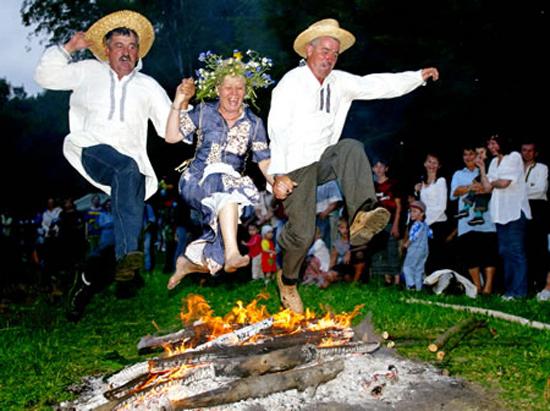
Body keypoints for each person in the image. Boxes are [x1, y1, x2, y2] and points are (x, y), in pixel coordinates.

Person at [268, 18, 439, 313]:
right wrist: (276, 175)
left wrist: (417, 77)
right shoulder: (291, 83)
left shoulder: (340, 82)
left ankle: (362, 214)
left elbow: (376, 84)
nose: (330, 57)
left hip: (324, 159)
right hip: (294, 167)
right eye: (324, 50)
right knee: (303, 234)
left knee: (351, 147)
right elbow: (277, 128)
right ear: (308, 50)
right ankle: (288, 280)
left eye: (334, 53)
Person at [34, 10, 172, 286]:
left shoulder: (148, 86)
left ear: (138, 53)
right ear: (106, 50)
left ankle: (115, 268)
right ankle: (126, 254)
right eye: (119, 45)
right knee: (126, 168)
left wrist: (187, 104)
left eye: (132, 47)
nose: (126, 52)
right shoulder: (88, 71)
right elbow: (46, 77)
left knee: (132, 174)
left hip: (130, 165)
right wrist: (70, 47)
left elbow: (170, 128)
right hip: (91, 148)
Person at [164, 49, 274, 289]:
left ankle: (190, 264)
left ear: (247, 91)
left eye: (239, 88)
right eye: (228, 88)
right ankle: (233, 253)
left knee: (218, 244)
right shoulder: (204, 111)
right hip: (196, 181)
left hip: (229, 189)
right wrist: (179, 101)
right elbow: (171, 136)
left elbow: (264, 159)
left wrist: (277, 181)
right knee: (223, 179)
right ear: (217, 90)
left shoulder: (254, 123)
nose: (234, 94)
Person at [476, 133, 531, 299]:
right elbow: (487, 188)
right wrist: (482, 168)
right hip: (500, 214)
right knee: (504, 251)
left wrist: (492, 183)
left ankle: (520, 293)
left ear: (502, 143)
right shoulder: (493, 162)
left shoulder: (514, 157)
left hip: (515, 212)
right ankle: (510, 292)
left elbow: (504, 183)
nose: (491, 147)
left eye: (493, 144)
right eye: (489, 144)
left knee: (516, 252)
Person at [450, 145, 498, 295]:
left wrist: (476, 187)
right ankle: (477, 286)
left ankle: (488, 287)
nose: (468, 157)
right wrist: (472, 187)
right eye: (465, 154)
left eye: (471, 154)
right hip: (465, 223)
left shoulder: (487, 169)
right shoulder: (458, 173)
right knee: (470, 255)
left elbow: (488, 188)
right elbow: (454, 192)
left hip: (487, 220)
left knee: (489, 254)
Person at [414, 153, 449, 274]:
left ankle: (440, 283)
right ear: (424, 163)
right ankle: (427, 282)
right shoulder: (421, 182)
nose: (432, 165)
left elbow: (442, 206)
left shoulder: (441, 181)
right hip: (425, 223)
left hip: (437, 223)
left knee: (436, 254)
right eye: (429, 162)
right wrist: (416, 191)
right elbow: (420, 204)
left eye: (435, 162)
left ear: (439, 165)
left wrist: (427, 221)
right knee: (424, 253)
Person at [521, 141, 549, 292]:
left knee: (538, 247)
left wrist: (520, 192)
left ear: (536, 153)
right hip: (522, 209)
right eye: (524, 150)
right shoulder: (517, 169)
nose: (527, 153)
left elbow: (539, 190)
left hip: (538, 208)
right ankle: (527, 284)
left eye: (530, 151)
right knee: (524, 246)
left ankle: (541, 283)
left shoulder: (542, 168)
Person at [370, 158, 402, 286]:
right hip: (376, 224)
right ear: (373, 169)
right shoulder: (372, 186)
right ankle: (386, 279)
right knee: (380, 251)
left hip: (390, 222)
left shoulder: (393, 184)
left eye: (381, 166)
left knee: (392, 250)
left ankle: (397, 280)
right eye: (376, 166)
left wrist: (396, 225)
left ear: (386, 168)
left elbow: (398, 206)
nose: (378, 169)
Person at [454, 146, 491, 226]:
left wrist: (479, 184)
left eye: (482, 152)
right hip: (480, 188)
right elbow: (453, 195)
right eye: (478, 153)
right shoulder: (458, 173)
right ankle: (466, 210)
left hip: (486, 190)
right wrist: (474, 184)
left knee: (480, 197)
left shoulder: (491, 163)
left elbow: (489, 176)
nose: (480, 155)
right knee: (473, 193)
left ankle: (477, 215)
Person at [401, 200, 432, 291]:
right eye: (411, 211)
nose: (412, 214)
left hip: (415, 249)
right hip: (424, 250)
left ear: (422, 214)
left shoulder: (416, 225)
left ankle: (411, 285)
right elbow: (430, 234)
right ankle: (418, 289)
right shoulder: (425, 225)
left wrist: (406, 244)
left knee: (407, 267)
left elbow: (413, 236)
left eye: (415, 212)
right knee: (419, 269)